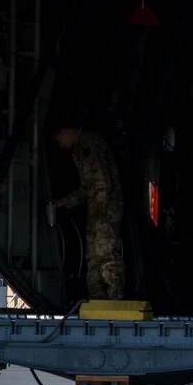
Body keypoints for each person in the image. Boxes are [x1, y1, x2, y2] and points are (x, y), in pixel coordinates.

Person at [52, 124, 124, 300]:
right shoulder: (84, 146)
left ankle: (114, 298)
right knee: (93, 257)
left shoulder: (88, 145)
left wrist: (100, 211)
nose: (61, 145)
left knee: (106, 254)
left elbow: (101, 182)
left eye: (60, 140)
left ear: (66, 130)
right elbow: (89, 186)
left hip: (103, 211)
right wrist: (67, 201)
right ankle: (98, 299)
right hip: (98, 210)